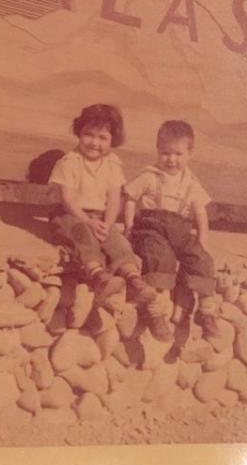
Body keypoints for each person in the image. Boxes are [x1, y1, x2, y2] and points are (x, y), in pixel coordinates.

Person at [48, 104, 173, 341]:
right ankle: (99, 277)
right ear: (78, 133)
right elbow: (67, 199)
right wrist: (88, 221)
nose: (94, 143)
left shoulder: (113, 163)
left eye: (102, 137)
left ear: (112, 140)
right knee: (83, 236)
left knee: (117, 241)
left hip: (99, 216)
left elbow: (115, 198)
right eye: (89, 135)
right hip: (70, 215)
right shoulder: (70, 161)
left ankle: (134, 280)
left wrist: (107, 223)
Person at [124, 120, 218, 336]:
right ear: (158, 150)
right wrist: (129, 226)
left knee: (202, 259)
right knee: (160, 256)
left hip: (180, 231)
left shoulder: (191, 183)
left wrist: (202, 241)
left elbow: (201, 214)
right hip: (151, 228)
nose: (171, 160)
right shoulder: (149, 176)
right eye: (165, 153)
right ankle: (156, 313)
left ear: (190, 154)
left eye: (178, 154)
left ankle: (207, 310)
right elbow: (130, 198)